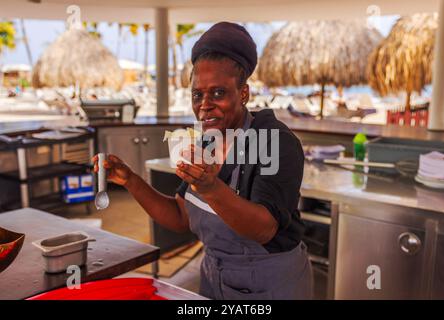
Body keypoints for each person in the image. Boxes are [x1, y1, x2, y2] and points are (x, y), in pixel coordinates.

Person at [93, 22, 312, 300]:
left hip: (269, 283)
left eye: (218, 92)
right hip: (214, 279)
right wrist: (131, 181)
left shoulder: (274, 142)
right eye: (198, 94)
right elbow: (181, 216)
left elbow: (264, 229)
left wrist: (210, 188)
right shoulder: (207, 141)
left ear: (243, 93)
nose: (204, 104)